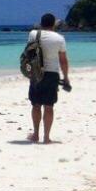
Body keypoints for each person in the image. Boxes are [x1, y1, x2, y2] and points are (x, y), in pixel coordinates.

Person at [27, 13, 70, 143]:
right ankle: (46, 137)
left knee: (36, 105)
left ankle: (35, 134)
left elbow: (29, 52)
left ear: (41, 23)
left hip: (36, 73)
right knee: (49, 106)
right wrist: (66, 77)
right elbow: (63, 61)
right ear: (54, 24)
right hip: (52, 73)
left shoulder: (33, 34)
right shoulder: (60, 39)